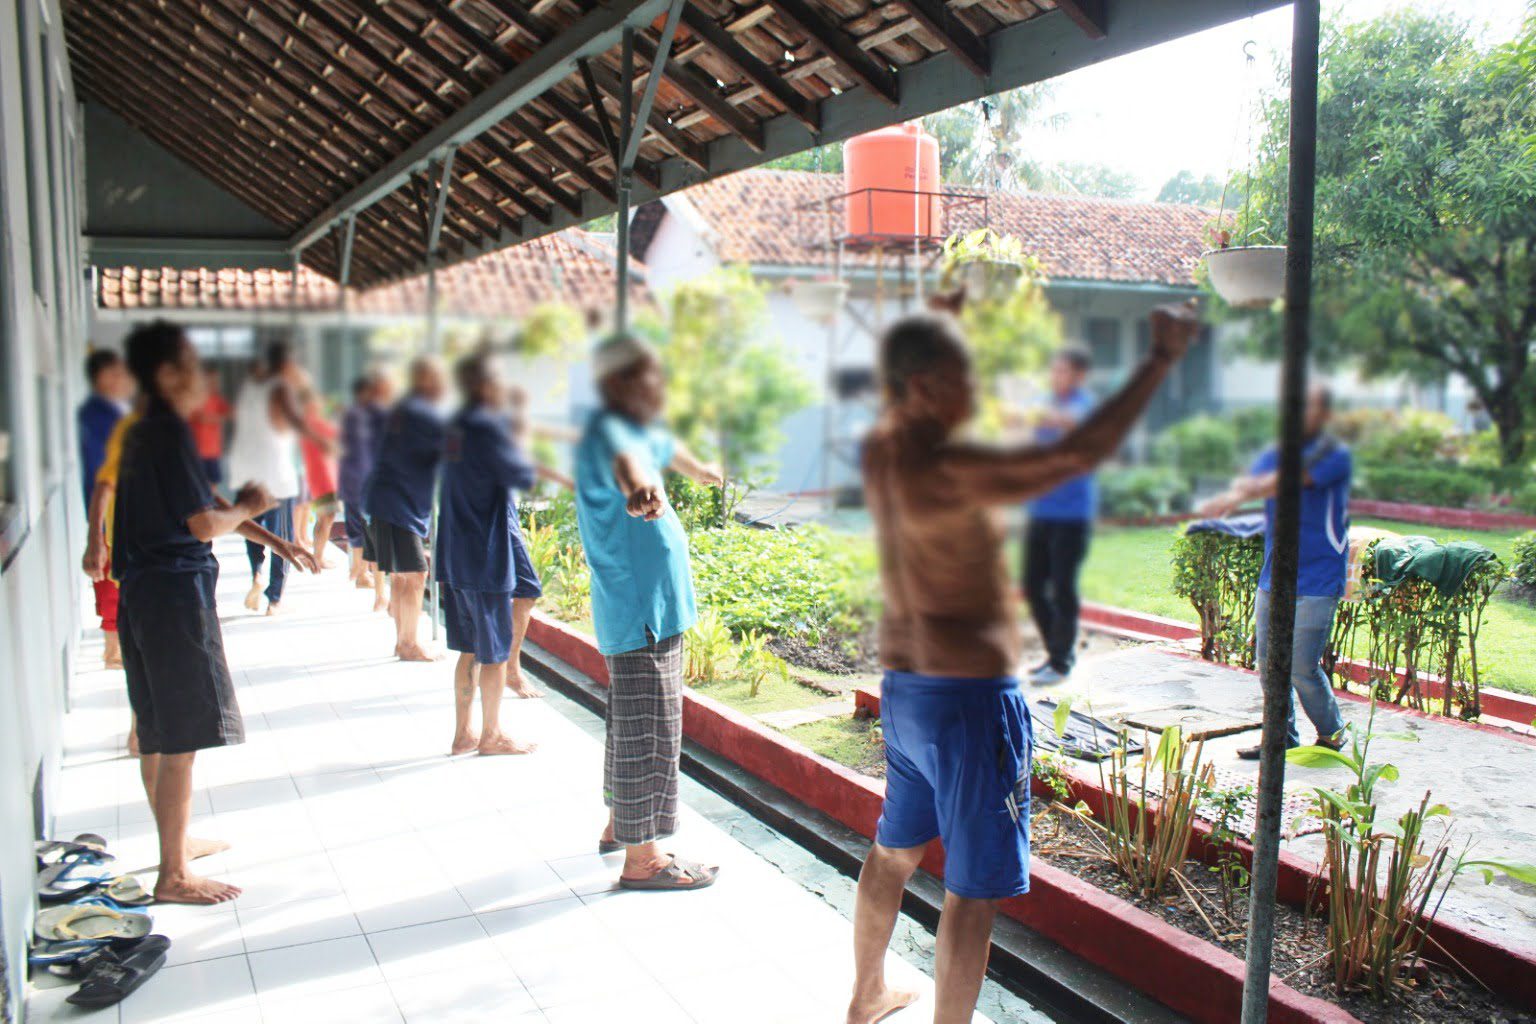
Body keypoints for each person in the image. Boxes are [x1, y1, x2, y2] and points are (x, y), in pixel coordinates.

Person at [847, 295, 1196, 1024]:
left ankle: (868, 994)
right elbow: (1075, 455)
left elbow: (906, 374)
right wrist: (1160, 358)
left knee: (893, 852)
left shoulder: (881, 445)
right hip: (971, 705)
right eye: (961, 375)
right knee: (971, 892)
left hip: (907, 694)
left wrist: (942, 323)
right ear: (922, 387)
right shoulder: (953, 466)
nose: (977, 390)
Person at [111, 320, 317, 904]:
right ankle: (172, 874)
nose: (203, 378)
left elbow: (208, 505)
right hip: (173, 594)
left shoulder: (146, 430)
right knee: (179, 734)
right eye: (194, 366)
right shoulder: (166, 431)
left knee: (155, 729)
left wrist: (275, 539)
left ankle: (173, 842)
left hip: (145, 593)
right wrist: (254, 505)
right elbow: (203, 525)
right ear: (169, 373)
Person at [576, 335, 724, 892]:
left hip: (650, 607)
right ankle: (643, 860)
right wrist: (643, 493)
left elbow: (661, 448)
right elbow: (633, 466)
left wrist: (702, 469)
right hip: (642, 613)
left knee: (629, 723)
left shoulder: (630, 422)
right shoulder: (614, 433)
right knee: (649, 732)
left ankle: (622, 825)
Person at [1197, 383, 1350, 760]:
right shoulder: (1276, 452)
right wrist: (1236, 492)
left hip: (1317, 579)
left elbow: (1290, 480)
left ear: (1325, 414)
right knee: (1267, 665)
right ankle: (1280, 738)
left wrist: (1235, 497)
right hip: (1274, 576)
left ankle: (1332, 733)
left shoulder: (1334, 455)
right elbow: (1254, 481)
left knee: (1300, 667)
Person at [436, 352, 545, 756]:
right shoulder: (489, 429)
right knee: (494, 651)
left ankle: (463, 733)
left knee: (470, 648)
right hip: (486, 554)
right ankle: (492, 734)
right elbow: (523, 476)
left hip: (458, 554)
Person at [227, 342, 331, 614]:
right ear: (286, 365)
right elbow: (298, 421)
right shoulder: (281, 388)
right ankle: (275, 598)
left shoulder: (250, 388)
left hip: (249, 469)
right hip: (275, 471)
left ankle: (256, 573)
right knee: (280, 534)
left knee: (249, 524)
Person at [1020, 345, 1098, 686]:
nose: (1056, 377)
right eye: (1054, 370)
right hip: (1041, 510)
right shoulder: (1043, 401)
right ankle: (1058, 651)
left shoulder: (1085, 407)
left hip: (1072, 515)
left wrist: (1036, 416)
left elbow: (1070, 425)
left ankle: (1060, 660)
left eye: (1063, 371)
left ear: (1079, 376)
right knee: (1033, 585)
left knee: (1063, 587)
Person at [365, 356, 449, 661]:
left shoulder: (407, 410)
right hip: (398, 504)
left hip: (392, 502)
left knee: (402, 576)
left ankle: (403, 642)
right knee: (415, 575)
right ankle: (409, 643)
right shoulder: (419, 413)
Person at [77, 350, 135, 668]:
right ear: (101, 377)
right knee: (108, 577)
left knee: (117, 577)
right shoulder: (97, 414)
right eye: (117, 373)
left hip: (121, 510)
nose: (124, 379)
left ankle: (117, 642)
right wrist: (96, 532)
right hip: (108, 510)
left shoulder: (119, 411)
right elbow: (102, 474)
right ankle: (112, 647)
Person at [340, 371, 390, 600]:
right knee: (373, 535)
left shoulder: (351, 415)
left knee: (359, 530)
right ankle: (371, 584)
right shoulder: (374, 416)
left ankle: (361, 572)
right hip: (367, 483)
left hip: (352, 480)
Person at [298, 384, 340, 569]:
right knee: (327, 516)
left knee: (324, 517)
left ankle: (317, 555)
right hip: (323, 478)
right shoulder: (315, 423)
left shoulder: (306, 423)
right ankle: (318, 557)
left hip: (321, 477)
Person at [189, 367, 230, 493]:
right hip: (197, 452)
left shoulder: (217, 400)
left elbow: (231, 413)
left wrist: (215, 418)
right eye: (210, 381)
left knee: (213, 486)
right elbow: (200, 417)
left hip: (213, 451)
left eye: (216, 381)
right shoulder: (194, 399)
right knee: (197, 486)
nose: (214, 384)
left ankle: (212, 508)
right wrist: (217, 418)